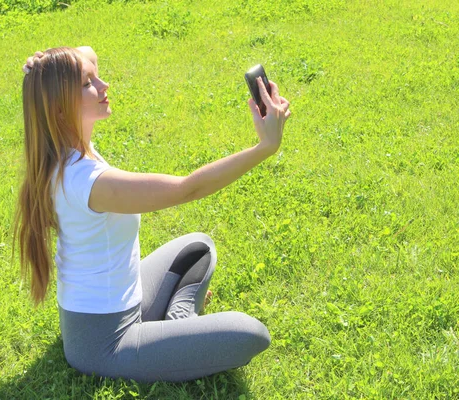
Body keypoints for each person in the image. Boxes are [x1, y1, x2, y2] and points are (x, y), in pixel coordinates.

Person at [14, 46, 291, 383]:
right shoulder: (87, 181)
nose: (104, 85)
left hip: (126, 300)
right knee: (251, 334)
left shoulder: (66, 150)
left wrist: (45, 66)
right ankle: (175, 331)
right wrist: (265, 147)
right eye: (89, 83)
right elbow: (186, 189)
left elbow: (87, 53)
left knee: (198, 248)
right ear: (59, 107)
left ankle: (175, 327)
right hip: (105, 342)